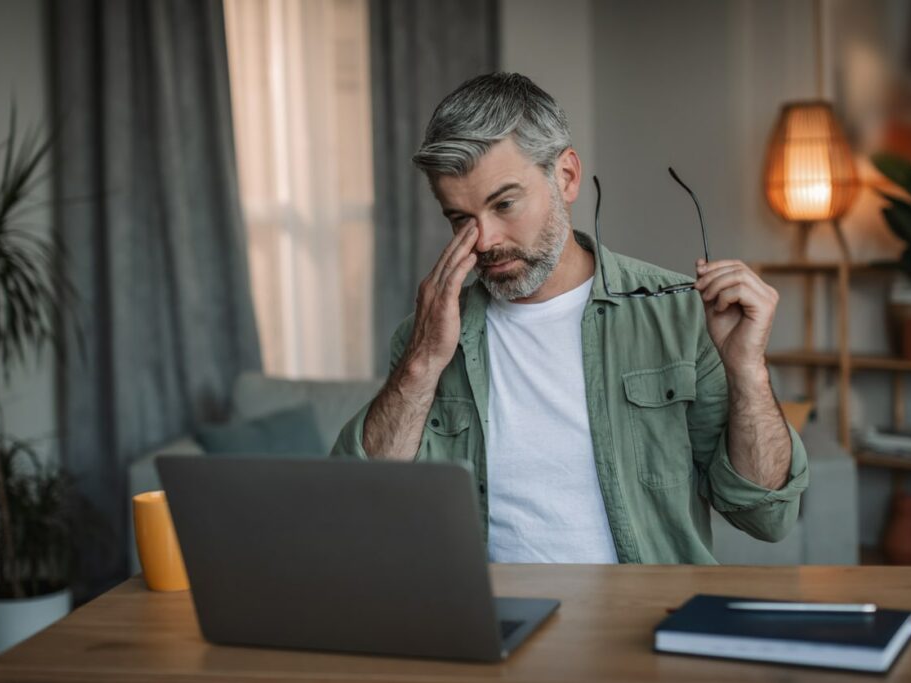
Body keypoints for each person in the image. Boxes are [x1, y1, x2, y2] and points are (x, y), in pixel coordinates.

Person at [331, 73, 808, 564]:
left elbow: (767, 517)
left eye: (505, 203)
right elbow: (360, 513)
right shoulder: (424, 338)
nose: (485, 240)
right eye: (459, 219)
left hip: (645, 621)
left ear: (567, 176)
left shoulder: (682, 317)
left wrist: (748, 370)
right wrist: (421, 364)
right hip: (491, 625)